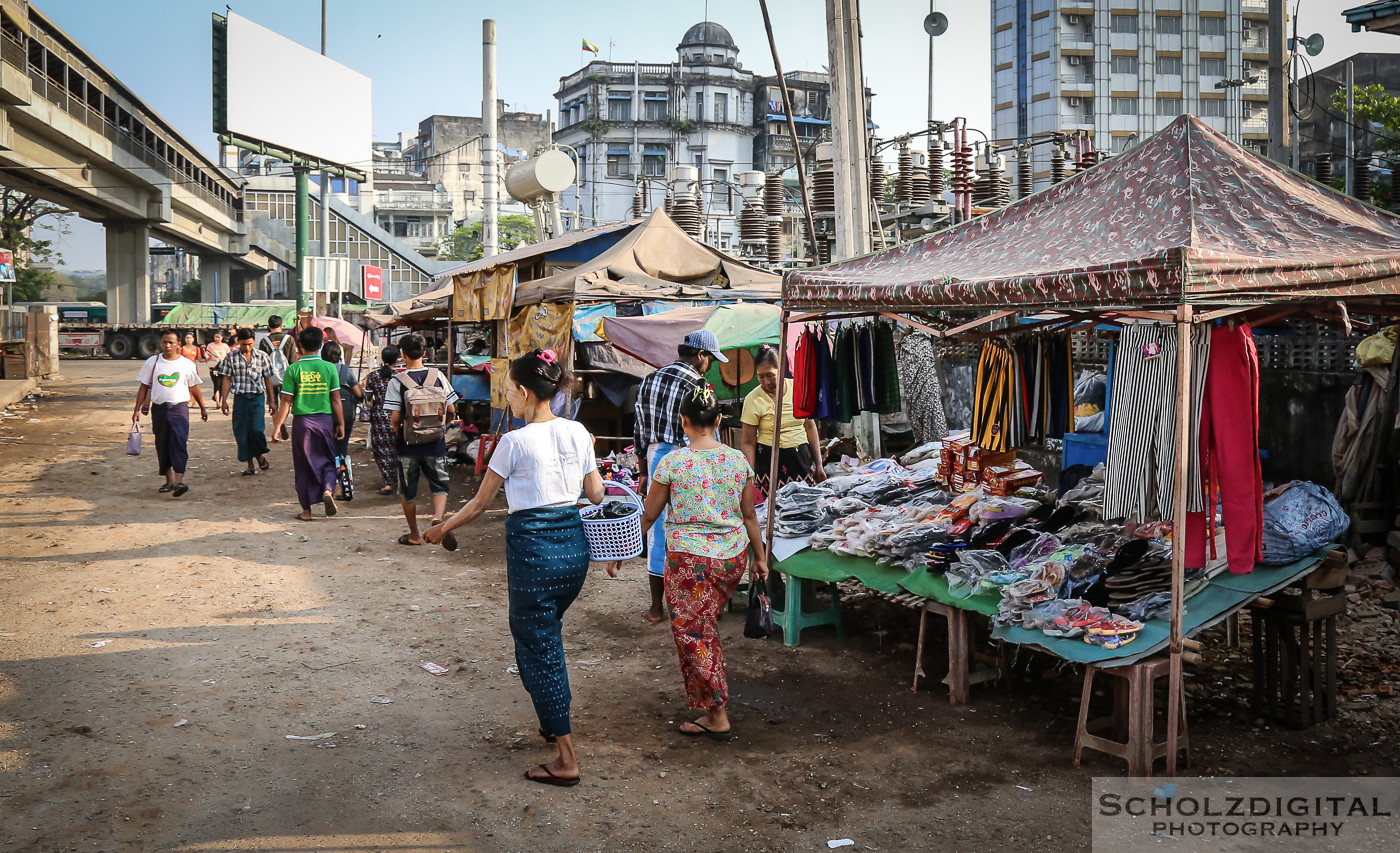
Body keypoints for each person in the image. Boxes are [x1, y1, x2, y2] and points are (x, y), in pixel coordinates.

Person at [425, 349, 606, 787]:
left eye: (508, 392)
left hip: (535, 558)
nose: (507, 400)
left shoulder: (514, 442)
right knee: (540, 636)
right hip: (573, 556)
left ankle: (566, 758)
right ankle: (549, 718)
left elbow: (481, 503)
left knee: (541, 649)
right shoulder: (579, 431)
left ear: (525, 393)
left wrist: (442, 527)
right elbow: (597, 496)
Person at [611, 385, 768, 741]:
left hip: (691, 564)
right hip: (731, 559)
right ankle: (712, 703)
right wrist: (759, 558)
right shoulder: (737, 461)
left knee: (696, 633)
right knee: (704, 628)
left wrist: (619, 550)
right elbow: (749, 515)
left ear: (683, 421)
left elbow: (649, 515)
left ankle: (717, 714)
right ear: (717, 421)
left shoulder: (672, 462)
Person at [632, 329, 728, 623]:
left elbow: (639, 427)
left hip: (656, 455)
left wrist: (644, 471)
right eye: (710, 359)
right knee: (693, 530)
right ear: (700, 355)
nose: (709, 365)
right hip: (690, 460)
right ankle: (692, 603)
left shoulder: (650, 378)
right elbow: (708, 431)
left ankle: (655, 608)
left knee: (659, 532)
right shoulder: (698, 385)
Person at [383, 334, 459, 545]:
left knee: (408, 491)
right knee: (440, 486)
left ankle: (415, 534)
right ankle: (437, 519)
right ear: (425, 353)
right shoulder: (438, 376)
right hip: (435, 442)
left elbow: (395, 418)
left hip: (408, 446)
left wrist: (398, 430)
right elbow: (451, 409)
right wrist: (441, 427)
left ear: (402, 355)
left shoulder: (397, 381)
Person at [270, 326, 345, 520]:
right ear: (321, 345)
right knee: (328, 460)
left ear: (299, 345)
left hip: (302, 423)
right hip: (325, 421)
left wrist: (278, 427)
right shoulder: (329, 368)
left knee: (303, 465)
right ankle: (328, 489)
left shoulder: (293, 369)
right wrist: (341, 424)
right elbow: (336, 399)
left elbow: (286, 401)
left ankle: (306, 511)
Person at [740, 345, 827, 502]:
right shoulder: (752, 400)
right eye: (761, 377)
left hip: (800, 460)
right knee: (772, 513)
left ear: (781, 368)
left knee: (805, 507)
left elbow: (810, 426)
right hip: (768, 464)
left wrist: (819, 464)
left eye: (770, 375)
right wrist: (750, 475)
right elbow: (748, 442)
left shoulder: (798, 390)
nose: (766, 382)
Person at [132, 330, 207, 497]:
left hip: (179, 409)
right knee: (162, 444)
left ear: (178, 344)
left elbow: (194, 386)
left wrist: (203, 407)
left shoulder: (186, 364)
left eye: (171, 343)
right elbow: (144, 386)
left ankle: (179, 481)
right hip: (159, 409)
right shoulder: (152, 362)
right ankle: (169, 481)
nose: (167, 346)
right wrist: (136, 410)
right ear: (161, 343)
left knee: (179, 442)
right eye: (165, 342)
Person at [219, 328, 275, 475]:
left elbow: (268, 379)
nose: (247, 348)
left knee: (257, 429)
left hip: (257, 398)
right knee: (242, 432)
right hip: (240, 399)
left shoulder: (262, 356)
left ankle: (259, 455)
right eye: (244, 344)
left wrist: (272, 400)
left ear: (254, 342)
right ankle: (250, 465)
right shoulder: (231, 357)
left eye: (250, 344)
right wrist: (223, 400)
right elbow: (226, 379)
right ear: (238, 342)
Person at [362, 345, 404, 496]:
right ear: (397, 358)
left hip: (378, 417)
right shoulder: (400, 377)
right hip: (396, 416)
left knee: (381, 450)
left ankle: (388, 482)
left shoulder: (373, 376)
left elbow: (367, 397)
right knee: (396, 449)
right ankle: (401, 481)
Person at [322, 341, 364, 461]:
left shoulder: (320, 371)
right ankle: (341, 467)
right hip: (345, 414)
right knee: (342, 445)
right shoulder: (346, 371)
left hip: (324, 414)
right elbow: (358, 393)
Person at [258, 315, 295, 440]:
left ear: (269, 326)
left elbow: (261, 361)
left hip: (270, 377)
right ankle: (283, 420)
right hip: (287, 376)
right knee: (287, 401)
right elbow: (293, 360)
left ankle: (277, 431)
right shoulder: (289, 339)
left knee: (273, 403)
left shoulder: (264, 341)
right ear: (281, 325)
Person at [203, 330, 231, 406]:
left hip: (223, 367)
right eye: (215, 337)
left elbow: (228, 356)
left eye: (218, 337)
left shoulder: (225, 346)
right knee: (216, 384)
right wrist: (203, 351)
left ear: (222, 337)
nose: (217, 338)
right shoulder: (210, 345)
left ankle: (217, 398)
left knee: (222, 384)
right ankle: (218, 402)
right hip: (213, 368)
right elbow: (207, 357)